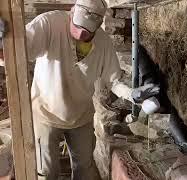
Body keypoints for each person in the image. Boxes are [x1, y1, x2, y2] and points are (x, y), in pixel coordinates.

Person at [0, 0, 154, 179]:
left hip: (80, 116)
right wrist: (4, 43)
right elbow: (18, 51)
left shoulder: (103, 43)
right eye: (77, 27)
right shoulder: (49, 24)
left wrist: (131, 94)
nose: (80, 34)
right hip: (45, 114)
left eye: (87, 32)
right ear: (71, 11)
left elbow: (113, 81)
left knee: (84, 169)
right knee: (46, 172)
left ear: (97, 28)